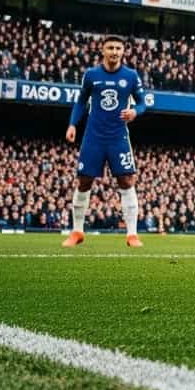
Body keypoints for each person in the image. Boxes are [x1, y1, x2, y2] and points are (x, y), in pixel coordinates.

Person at [63, 35, 148, 248]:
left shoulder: (130, 76)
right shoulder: (91, 75)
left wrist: (135, 112)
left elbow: (142, 102)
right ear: (103, 50)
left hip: (118, 136)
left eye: (118, 48)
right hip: (93, 136)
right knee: (84, 181)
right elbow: (81, 101)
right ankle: (77, 232)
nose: (114, 51)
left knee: (127, 180)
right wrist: (73, 124)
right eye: (110, 47)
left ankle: (132, 235)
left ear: (123, 51)